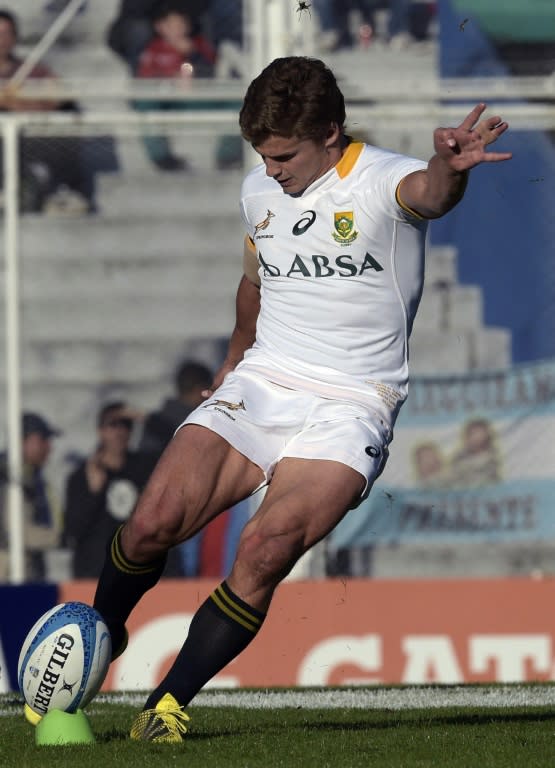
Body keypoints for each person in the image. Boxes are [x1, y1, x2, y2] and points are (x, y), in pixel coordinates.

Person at [89, 56, 511, 742]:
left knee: (266, 546)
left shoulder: (380, 180)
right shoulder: (259, 190)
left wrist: (452, 170)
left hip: (353, 402)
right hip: (265, 379)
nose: (271, 168)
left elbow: (427, 194)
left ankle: (163, 707)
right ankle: (95, 640)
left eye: (284, 153)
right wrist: (232, 362)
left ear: (330, 134)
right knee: (151, 523)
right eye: (262, 153)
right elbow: (255, 279)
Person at [0, 8, 99, 213]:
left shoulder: (33, 70)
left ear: (15, 37)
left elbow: (59, 99)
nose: (1, 39)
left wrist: (17, 105)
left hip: (31, 136)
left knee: (67, 119)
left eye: (6, 33)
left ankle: (64, 191)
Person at [63, 401, 159, 579]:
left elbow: (180, 442)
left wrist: (144, 417)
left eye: (126, 425)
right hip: (95, 574)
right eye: (112, 425)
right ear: (100, 431)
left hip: (137, 571)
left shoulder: (143, 467)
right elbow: (72, 531)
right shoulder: (81, 477)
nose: (119, 432)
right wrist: (94, 493)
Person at [134, 2, 216, 171]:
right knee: (145, 105)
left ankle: (229, 159)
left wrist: (193, 53)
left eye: (180, 24)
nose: (176, 29)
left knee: (239, 105)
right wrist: (169, 80)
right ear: (160, 27)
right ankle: (163, 159)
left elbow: (212, 72)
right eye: (171, 25)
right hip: (166, 101)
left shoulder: (199, 45)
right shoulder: (153, 49)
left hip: (197, 98)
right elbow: (144, 80)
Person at [0, 411, 62, 581]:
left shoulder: (31, 476)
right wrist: (61, 537)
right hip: (10, 573)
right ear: (21, 440)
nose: (49, 447)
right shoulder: (9, 477)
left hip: (26, 569)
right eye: (42, 439)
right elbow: (17, 531)